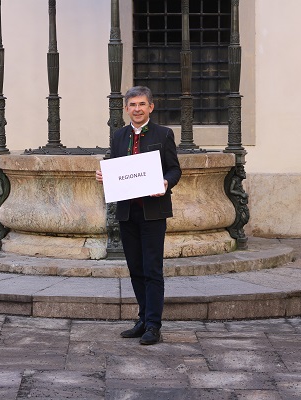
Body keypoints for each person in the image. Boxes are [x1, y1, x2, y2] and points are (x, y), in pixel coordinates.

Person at [96, 86, 181, 345]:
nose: (137, 109)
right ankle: (143, 319)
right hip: (127, 212)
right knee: (135, 268)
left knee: (152, 268)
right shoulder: (118, 136)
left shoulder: (164, 135)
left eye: (142, 104)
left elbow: (174, 170)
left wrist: (166, 183)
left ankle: (154, 324)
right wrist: (104, 175)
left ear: (150, 107)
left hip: (153, 212)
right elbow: (117, 168)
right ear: (126, 108)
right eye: (132, 104)